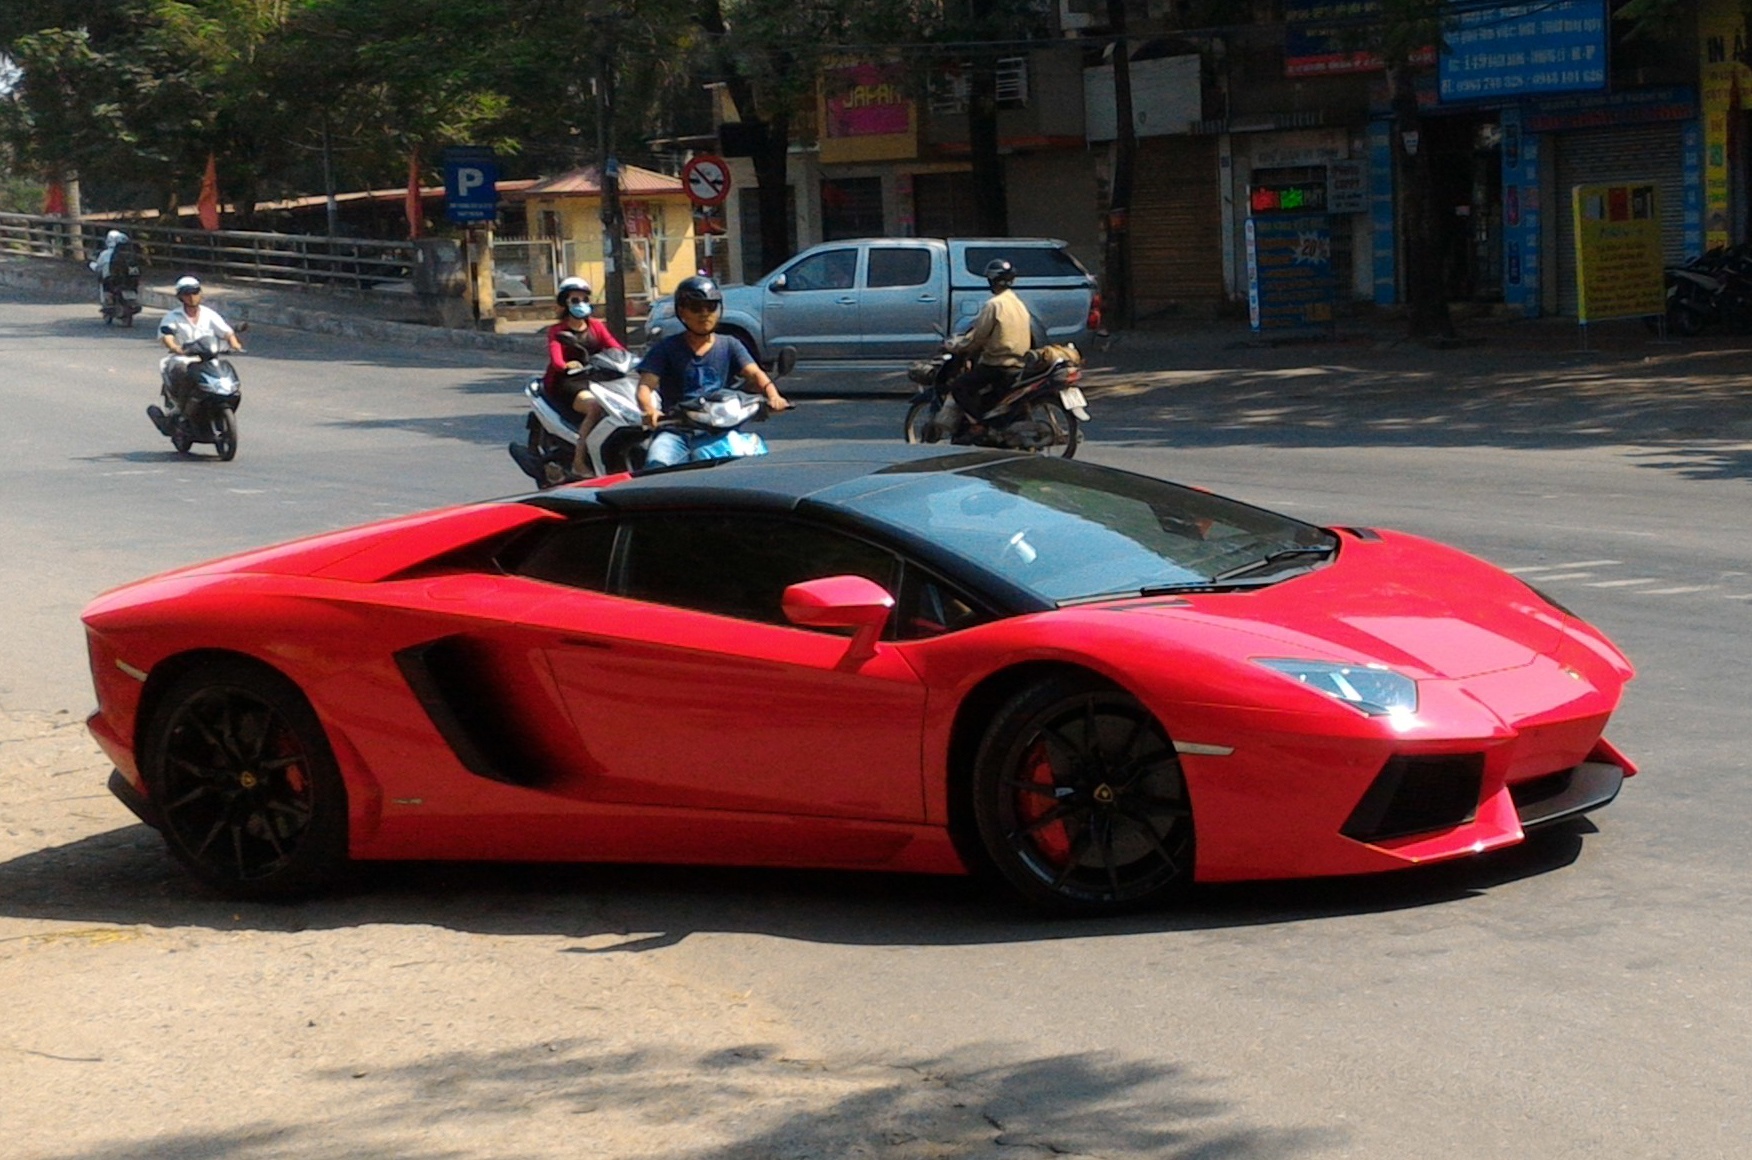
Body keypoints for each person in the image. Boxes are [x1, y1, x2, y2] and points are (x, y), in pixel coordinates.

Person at [635, 274, 789, 468]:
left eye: (711, 307)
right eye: (696, 308)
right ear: (681, 311)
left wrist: (774, 396)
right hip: (677, 431)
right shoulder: (666, 348)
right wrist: (649, 410)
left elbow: (755, 374)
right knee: (656, 468)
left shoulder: (731, 345)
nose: (704, 313)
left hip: (720, 428)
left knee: (755, 464)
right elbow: (645, 386)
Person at [936, 258, 1032, 440]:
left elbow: (978, 337)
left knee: (959, 386)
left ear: (992, 280)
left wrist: (957, 347)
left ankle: (978, 425)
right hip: (1018, 365)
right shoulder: (1019, 304)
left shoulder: (994, 304)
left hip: (997, 364)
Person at [543, 276, 625, 478]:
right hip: (569, 381)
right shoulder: (557, 331)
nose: (581, 304)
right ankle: (579, 462)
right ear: (565, 303)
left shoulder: (596, 326)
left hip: (596, 378)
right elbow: (556, 360)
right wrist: (567, 365)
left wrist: (628, 360)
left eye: (585, 300)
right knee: (596, 408)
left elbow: (615, 347)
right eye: (575, 300)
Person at [158, 276, 244, 413]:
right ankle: (181, 406)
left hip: (207, 357)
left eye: (195, 292)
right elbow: (167, 336)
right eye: (187, 293)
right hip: (184, 357)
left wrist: (234, 343)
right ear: (180, 297)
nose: (192, 297)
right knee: (182, 369)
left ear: (200, 293)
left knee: (224, 369)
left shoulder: (209, 314)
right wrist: (175, 347)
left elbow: (226, 331)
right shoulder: (172, 317)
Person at [89, 229, 132, 305]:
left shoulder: (105, 254)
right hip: (126, 279)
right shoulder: (128, 255)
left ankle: (108, 301)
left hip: (112, 279)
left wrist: (91, 264)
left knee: (105, 282)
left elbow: (98, 266)